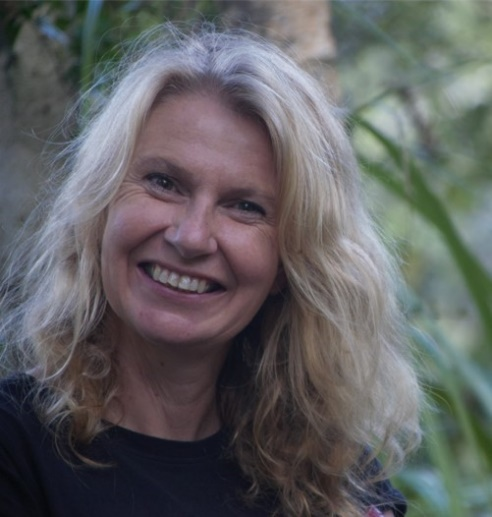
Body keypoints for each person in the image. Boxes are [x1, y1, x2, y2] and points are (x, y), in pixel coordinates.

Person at [0, 24, 421, 517]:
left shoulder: (335, 480)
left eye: (245, 207)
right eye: (164, 182)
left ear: (291, 263)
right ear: (100, 207)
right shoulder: (16, 446)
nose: (191, 237)